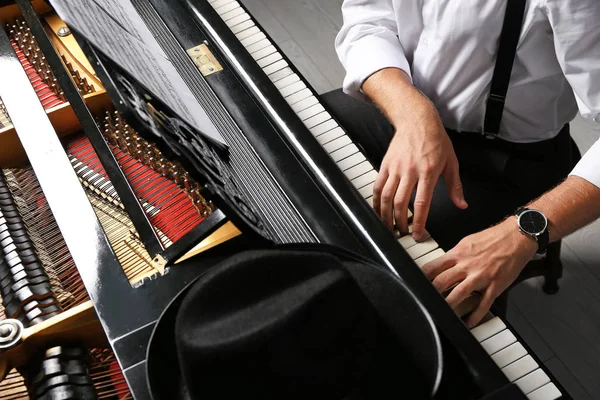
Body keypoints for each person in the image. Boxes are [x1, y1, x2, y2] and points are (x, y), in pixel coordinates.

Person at [326, 0, 600, 328]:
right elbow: (367, 21)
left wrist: (521, 233)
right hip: (402, 100)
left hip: (506, 158)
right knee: (293, 148)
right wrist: (413, 114)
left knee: (411, 284)